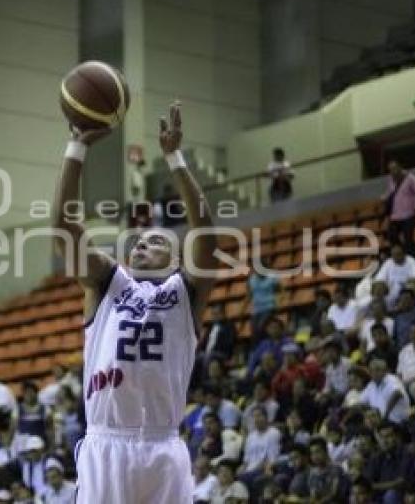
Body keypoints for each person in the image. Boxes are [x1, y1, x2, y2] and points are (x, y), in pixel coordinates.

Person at [53, 102, 216, 504]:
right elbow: (63, 226)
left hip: (162, 444)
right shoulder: (107, 282)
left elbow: (206, 230)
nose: (143, 243)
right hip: (107, 443)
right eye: (139, 241)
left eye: (157, 241)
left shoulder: (186, 292)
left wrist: (174, 157)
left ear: (177, 260)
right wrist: (76, 149)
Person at [382, 160, 415, 253]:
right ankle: (401, 252)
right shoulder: (391, 180)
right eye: (390, 170)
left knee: (409, 239)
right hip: (395, 216)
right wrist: (384, 197)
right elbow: (390, 192)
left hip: (408, 215)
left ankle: (412, 255)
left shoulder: (410, 178)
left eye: (394, 169)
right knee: (391, 235)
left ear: (400, 168)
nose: (392, 172)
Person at [371, 421, 414, 504]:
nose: (384, 441)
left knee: (391, 495)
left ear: (397, 437)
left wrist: (374, 486)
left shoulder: (406, 454)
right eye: (382, 437)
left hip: (401, 495)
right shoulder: (377, 457)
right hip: (379, 496)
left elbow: (401, 482)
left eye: (388, 437)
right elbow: (368, 480)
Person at [358, 358, 410, 424]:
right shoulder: (371, 385)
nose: (374, 373)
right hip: (380, 421)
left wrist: (385, 414)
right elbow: (361, 402)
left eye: (378, 370)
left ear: (385, 371)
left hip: (396, 420)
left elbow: (397, 393)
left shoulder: (391, 379)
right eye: (372, 371)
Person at [375, 243, 415, 308]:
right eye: (393, 255)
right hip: (389, 291)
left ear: (404, 254)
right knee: (378, 289)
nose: (395, 257)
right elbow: (379, 279)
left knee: (408, 291)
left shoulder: (411, 261)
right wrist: (381, 287)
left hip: (405, 291)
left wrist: (405, 288)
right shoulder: (388, 262)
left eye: (398, 254)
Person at [247, 256, 282, 339]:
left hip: (269, 307)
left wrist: (278, 302)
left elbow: (281, 291)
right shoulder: (252, 280)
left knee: (261, 327)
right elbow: (249, 295)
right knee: (253, 329)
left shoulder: (272, 277)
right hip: (257, 309)